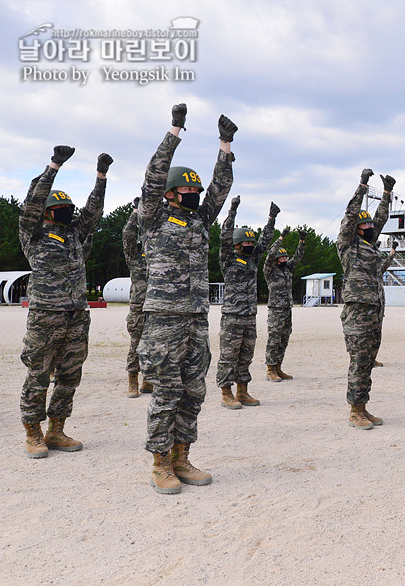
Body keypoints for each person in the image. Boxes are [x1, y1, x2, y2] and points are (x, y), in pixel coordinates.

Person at [137, 103, 236, 494]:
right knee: (166, 392)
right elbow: (153, 176)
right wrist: (175, 131)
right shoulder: (153, 216)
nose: (195, 194)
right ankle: (160, 463)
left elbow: (221, 190)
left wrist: (224, 147)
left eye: (197, 189)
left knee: (194, 391)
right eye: (188, 189)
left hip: (196, 317)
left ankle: (182, 456)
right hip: (163, 318)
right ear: (170, 194)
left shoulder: (199, 219)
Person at [19, 146, 111, 458]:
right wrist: (54, 165)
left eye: (69, 206)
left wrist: (101, 177)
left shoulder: (75, 234)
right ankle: (33, 432)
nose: (68, 211)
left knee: (69, 376)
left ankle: (56, 429)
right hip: (46, 317)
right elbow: (32, 204)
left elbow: (93, 212)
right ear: (47, 211)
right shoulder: (33, 233)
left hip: (76, 316)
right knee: (38, 375)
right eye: (61, 207)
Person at [336, 170, 392, 430]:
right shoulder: (348, 245)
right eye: (365, 226)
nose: (370, 228)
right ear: (355, 230)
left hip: (374, 310)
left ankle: (362, 406)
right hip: (357, 310)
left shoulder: (370, 245)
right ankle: (354, 411)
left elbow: (380, 219)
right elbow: (349, 216)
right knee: (359, 360)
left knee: (368, 360)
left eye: (370, 226)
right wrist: (363, 186)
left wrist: (387, 195)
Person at [217, 198, 277, 408]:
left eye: (251, 243)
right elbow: (224, 236)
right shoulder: (228, 258)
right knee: (228, 356)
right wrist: (232, 210)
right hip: (232, 316)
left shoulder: (253, 259)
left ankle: (242, 391)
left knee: (245, 356)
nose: (251, 246)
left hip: (250, 316)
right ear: (237, 244)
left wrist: (271, 219)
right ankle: (226, 392)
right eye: (246, 243)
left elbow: (265, 241)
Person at [263, 228, 306, 381]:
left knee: (284, 339)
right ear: (276, 260)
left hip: (287, 309)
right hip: (275, 309)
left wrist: (302, 242)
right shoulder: (270, 270)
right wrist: (280, 238)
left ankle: (278, 367)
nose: (285, 260)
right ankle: (270, 369)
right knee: (274, 339)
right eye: (282, 258)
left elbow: (298, 257)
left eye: (285, 257)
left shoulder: (287, 270)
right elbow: (269, 256)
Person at [122, 197, 153, 398]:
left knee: (155, 344)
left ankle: (148, 379)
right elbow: (128, 236)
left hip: (157, 306)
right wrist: (135, 212)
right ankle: (133, 378)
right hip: (139, 306)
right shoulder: (135, 257)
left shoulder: (158, 254)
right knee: (136, 343)